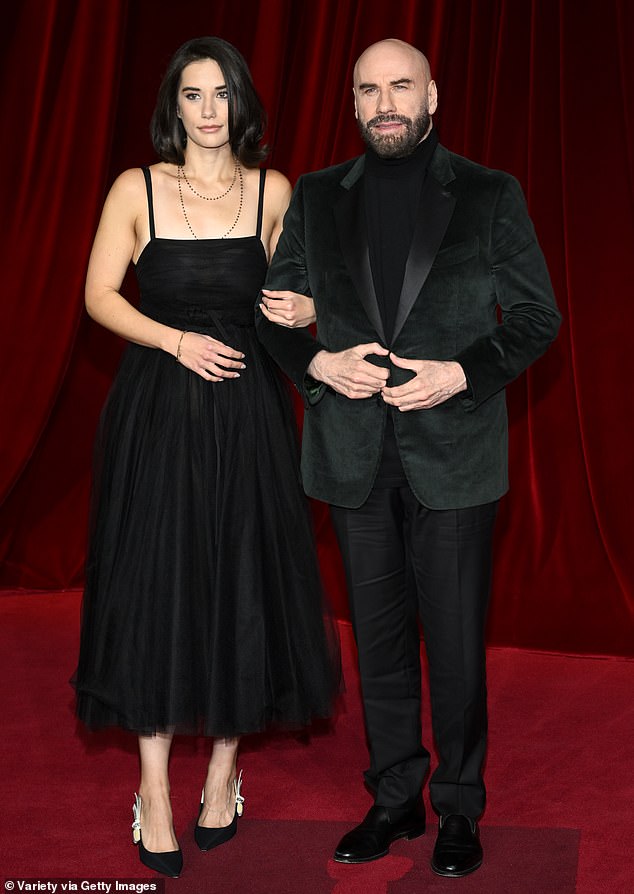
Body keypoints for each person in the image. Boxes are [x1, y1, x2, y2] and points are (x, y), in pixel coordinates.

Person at [257, 38, 561, 879]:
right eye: (369, 89)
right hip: (354, 454)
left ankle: (458, 807)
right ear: (353, 104)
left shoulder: (491, 194)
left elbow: (538, 318)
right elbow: (271, 316)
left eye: (402, 86)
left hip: (454, 454)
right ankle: (395, 800)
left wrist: (459, 372)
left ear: (433, 97)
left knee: (457, 643)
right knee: (380, 641)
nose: (385, 101)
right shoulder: (317, 199)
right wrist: (317, 362)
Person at [72, 36, 340, 879]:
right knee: (158, 583)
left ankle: (222, 773)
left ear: (242, 104)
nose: (211, 109)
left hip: (251, 417)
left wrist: (306, 308)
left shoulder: (274, 191)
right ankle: (153, 789)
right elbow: (98, 295)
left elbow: (299, 300)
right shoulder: (136, 187)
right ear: (174, 108)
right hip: (157, 412)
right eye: (194, 94)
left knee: (240, 583)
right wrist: (175, 341)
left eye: (223, 93)